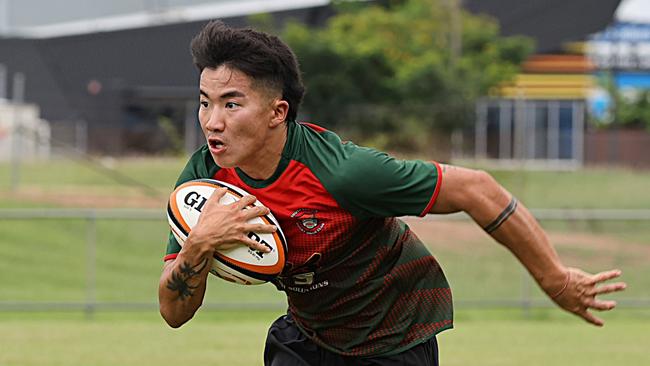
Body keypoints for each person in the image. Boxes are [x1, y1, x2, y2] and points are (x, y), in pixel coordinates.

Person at [158, 20, 626, 365]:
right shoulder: (205, 183)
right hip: (307, 336)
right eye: (205, 102)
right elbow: (173, 313)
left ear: (277, 112)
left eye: (231, 103)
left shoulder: (342, 174)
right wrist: (197, 246)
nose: (211, 121)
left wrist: (555, 279)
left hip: (393, 339)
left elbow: (477, 189)